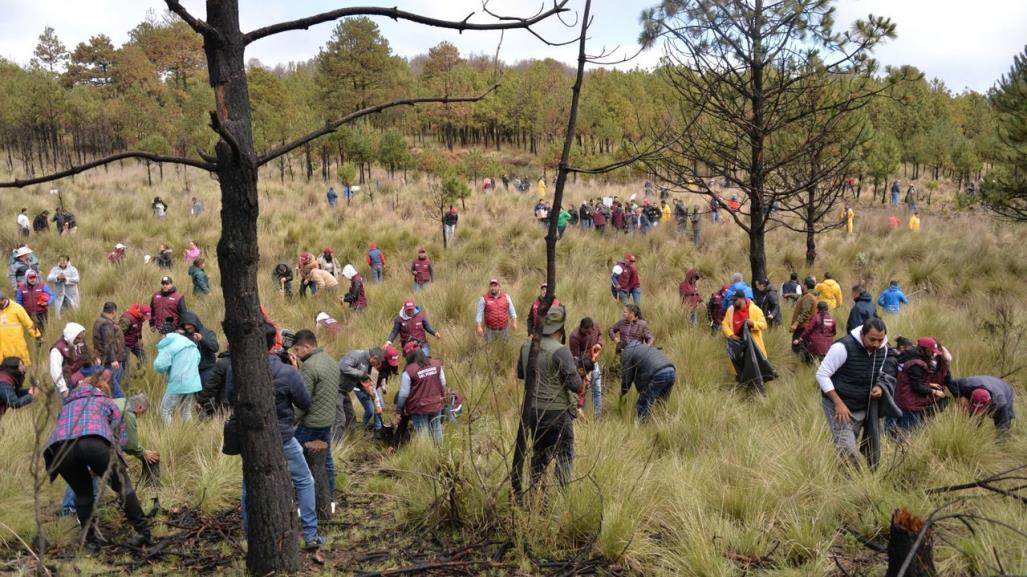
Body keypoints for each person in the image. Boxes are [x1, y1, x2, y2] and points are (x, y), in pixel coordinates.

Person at [228, 324, 325, 549]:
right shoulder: (287, 371)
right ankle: (310, 535)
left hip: (250, 438)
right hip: (283, 437)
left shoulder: (237, 368)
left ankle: (249, 535)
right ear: (275, 343)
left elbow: (230, 398)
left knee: (248, 485)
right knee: (304, 481)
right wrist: (294, 370)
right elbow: (305, 402)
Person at [43, 366, 152, 554]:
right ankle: (144, 532)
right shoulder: (105, 401)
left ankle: (91, 544)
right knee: (123, 487)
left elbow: (60, 430)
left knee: (83, 494)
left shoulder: (68, 404)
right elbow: (121, 436)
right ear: (102, 390)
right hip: (95, 443)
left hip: (61, 450)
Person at [512, 305, 582, 497]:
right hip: (557, 412)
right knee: (564, 455)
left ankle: (535, 493)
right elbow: (576, 385)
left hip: (532, 411)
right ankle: (561, 496)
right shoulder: (561, 351)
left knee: (539, 454)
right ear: (560, 329)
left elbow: (520, 373)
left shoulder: (526, 346)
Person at [815, 318, 894, 468]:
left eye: (880, 340)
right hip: (837, 405)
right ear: (863, 333)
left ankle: (840, 478)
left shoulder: (882, 350)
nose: (876, 344)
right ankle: (860, 481)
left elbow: (880, 373)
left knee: (846, 447)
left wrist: (879, 387)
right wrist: (838, 404)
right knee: (848, 448)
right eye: (872, 339)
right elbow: (822, 374)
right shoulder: (843, 347)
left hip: (861, 407)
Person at [291, 330, 340, 505]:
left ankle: (300, 503)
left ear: (306, 346)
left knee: (297, 463)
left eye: (297, 350)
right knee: (326, 462)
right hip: (327, 420)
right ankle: (330, 500)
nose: (296, 354)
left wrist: (290, 421)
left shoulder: (310, 366)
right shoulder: (330, 361)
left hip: (310, 424)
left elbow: (303, 401)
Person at [893, 337, 951, 431]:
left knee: (905, 431)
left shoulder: (913, 358)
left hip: (907, 402)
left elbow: (914, 381)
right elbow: (916, 386)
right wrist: (934, 392)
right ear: (926, 350)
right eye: (932, 351)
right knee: (910, 433)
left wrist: (930, 384)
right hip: (910, 404)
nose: (933, 354)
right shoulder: (917, 364)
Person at [396, 341, 448, 445]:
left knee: (423, 433)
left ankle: (426, 456)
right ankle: (440, 453)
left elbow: (403, 394)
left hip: (419, 408)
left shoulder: (408, 371)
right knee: (437, 428)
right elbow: (443, 383)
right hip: (436, 404)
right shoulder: (436, 364)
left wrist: (398, 410)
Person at [153, 325, 202, 423]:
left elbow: (160, 365)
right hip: (192, 382)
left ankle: (169, 436)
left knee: (165, 410)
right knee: (186, 411)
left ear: (164, 335)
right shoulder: (189, 342)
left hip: (178, 382)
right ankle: (190, 434)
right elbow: (198, 358)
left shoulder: (168, 344)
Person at [620, 342, 676, 421]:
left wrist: (623, 391)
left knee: (643, 403)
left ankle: (640, 428)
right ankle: (661, 424)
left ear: (622, 349)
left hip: (659, 373)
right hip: (671, 371)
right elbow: (643, 376)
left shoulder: (627, 352)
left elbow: (627, 376)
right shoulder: (644, 347)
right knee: (661, 404)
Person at [337, 347, 388, 434]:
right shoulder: (356, 355)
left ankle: (350, 438)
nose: (378, 365)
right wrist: (361, 374)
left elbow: (363, 382)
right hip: (336, 388)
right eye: (378, 362)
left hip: (344, 391)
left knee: (351, 417)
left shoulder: (368, 364)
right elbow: (343, 367)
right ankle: (337, 443)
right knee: (340, 419)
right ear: (374, 358)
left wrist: (371, 394)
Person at [121, 394, 161, 486]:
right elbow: (130, 444)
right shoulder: (129, 415)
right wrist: (143, 453)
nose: (140, 416)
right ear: (139, 407)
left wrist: (142, 452)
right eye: (142, 412)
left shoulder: (121, 401)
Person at [569, 317, 603, 417]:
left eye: (590, 332)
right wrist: (586, 373)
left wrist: (599, 343)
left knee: (597, 389)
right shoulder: (574, 336)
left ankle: (598, 415)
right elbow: (576, 358)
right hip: (582, 366)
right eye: (586, 332)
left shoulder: (595, 326)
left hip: (594, 362)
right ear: (582, 328)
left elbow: (600, 334)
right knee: (582, 390)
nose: (589, 334)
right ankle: (579, 415)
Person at [93, 302, 128, 399]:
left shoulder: (99, 320)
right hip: (111, 361)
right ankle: (115, 406)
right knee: (114, 386)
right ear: (114, 311)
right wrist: (113, 359)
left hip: (105, 359)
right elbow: (108, 342)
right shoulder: (106, 323)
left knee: (111, 384)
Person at [49, 322, 92, 399]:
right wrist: (63, 389)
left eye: (82, 337)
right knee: (66, 408)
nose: (81, 340)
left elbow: (85, 358)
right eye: (79, 338)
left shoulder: (77, 343)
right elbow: (55, 371)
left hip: (77, 379)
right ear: (72, 336)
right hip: (66, 384)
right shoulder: (57, 349)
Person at [0, 290, 41, 369]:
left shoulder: (17, 308)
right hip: (1, 345)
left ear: (3, 299)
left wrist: (37, 335)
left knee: (20, 365)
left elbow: (28, 323)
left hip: (16, 343)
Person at [722, 289, 768, 357]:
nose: (733, 302)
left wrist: (753, 323)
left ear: (742, 299)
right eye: (732, 300)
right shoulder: (730, 310)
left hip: (754, 347)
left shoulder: (755, 309)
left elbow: (764, 325)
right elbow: (724, 325)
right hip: (738, 347)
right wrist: (731, 335)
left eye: (735, 300)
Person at [180, 311, 220, 386]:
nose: (186, 327)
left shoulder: (208, 333)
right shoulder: (185, 335)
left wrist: (202, 340)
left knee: (207, 395)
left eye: (189, 324)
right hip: (191, 372)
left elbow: (215, 348)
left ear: (195, 322)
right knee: (195, 396)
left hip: (207, 370)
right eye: (185, 325)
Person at [0, 357, 34, 422]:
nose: (24, 367)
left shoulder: (5, 377)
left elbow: (13, 393)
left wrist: (28, 391)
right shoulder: (4, 382)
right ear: (13, 368)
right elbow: (14, 403)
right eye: (21, 365)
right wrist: (31, 396)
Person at [120, 304, 150, 370]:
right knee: (125, 365)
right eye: (144, 316)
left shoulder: (140, 318)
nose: (145, 318)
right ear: (139, 311)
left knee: (144, 358)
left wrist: (140, 338)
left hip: (135, 342)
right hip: (125, 344)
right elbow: (119, 333)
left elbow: (138, 329)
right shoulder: (126, 318)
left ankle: (140, 373)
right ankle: (126, 379)